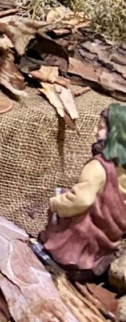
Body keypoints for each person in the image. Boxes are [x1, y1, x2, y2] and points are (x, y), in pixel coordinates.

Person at [40, 104, 126, 279]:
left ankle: (66, 258)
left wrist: (56, 203)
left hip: (89, 231)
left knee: (71, 219)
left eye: (101, 127)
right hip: (111, 231)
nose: (95, 131)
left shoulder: (98, 167)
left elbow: (81, 200)